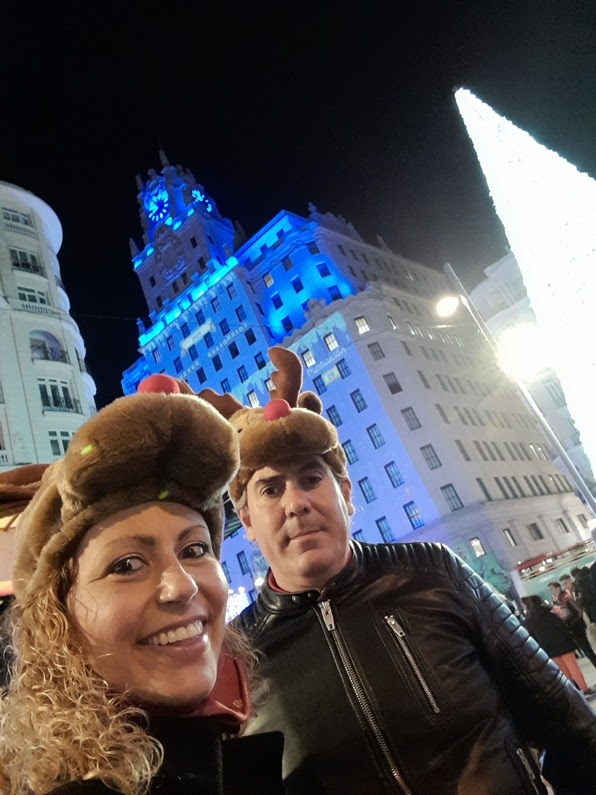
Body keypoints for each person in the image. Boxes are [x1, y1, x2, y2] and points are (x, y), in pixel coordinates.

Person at [198, 346, 596, 794]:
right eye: (270, 489)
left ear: (346, 493)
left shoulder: (433, 572)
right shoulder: (233, 657)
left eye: (311, 479)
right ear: (247, 521)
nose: (295, 503)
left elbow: (575, 731)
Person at [0, 385, 283, 794]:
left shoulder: (239, 763)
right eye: (127, 565)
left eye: (195, 549)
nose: (182, 585)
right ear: (58, 620)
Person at [521, 595, 592, 696]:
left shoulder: (529, 620)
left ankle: (574, 693)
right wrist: (570, 638)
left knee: (563, 671)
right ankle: (585, 689)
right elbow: (562, 627)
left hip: (548, 647)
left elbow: (532, 636)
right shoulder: (549, 612)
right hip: (562, 643)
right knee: (573, 667)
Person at [549, 580, 596, 669]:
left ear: (557, 588)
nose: (551, 591)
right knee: (586, 649)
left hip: (575, 626)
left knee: (587, 649)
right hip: (572, 626)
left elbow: (576, 611)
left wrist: (569, 621)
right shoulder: (558, 599)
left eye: (551, 589)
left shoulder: (565, 597)